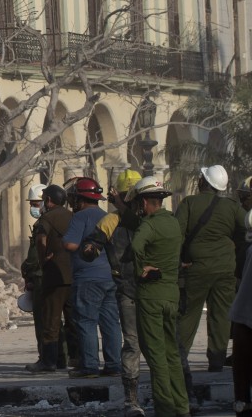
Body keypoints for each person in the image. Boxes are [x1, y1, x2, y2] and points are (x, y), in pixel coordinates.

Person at [175, 165, 247, 382]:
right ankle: (216, 362)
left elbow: (177, 233)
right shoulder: (232, 207)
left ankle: (180, 358)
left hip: (195, 268)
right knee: (221, 315)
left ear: (203, 182)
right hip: (225, 269)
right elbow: (246, 227)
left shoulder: (189, 203)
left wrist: (177, 262)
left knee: (188, 314)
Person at [83, 169, 145, 416]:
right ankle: (132, 400)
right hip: (130, 291)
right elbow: (93, 244)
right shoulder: (112, 220)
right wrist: (90, 249)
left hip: (148, 291)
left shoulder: (148, 219)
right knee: (133, 344)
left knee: (148, 345)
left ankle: (172, 396)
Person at [132, 176, 189, 417]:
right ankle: (181, 406)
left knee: (155, 355)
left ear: (145, 203)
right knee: (172, 353)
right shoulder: (173, 223)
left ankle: (165, 408)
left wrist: (141, 269)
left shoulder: (149, 224)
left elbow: (136, 246)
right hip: (171, 295)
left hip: (151, 297)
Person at [64, 176, 121, 379]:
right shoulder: (106, 215)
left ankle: (89, 367)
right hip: (109, 277)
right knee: (110, 322)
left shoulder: (80, 217)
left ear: (80, 199)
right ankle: (114, 365)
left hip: (87, 278)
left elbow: (70, 244)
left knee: (86, 321)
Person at [28, 184, 74, 372]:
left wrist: (43, 259)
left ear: (48, 200)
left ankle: (48, 361)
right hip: (73, 275)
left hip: (54, 276)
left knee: (51, 321)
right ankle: (77, 359)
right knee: (74, 321)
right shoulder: (73, 217)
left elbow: (41, 241)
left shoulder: (46, 219)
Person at [22, 182, 50, 363]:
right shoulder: (57, 220)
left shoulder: (44, 224)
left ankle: (47, 358)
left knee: (43, 320)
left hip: (41, 277)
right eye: (31, 204)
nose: (33, 208)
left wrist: (26, 270)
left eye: (35, 204)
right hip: (51, 275)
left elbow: (34, 257)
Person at [231, 208, 252, 417]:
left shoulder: (247, 250)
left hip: (244, 319)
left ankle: (243, 403)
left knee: (242, 372)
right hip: (245, 317)